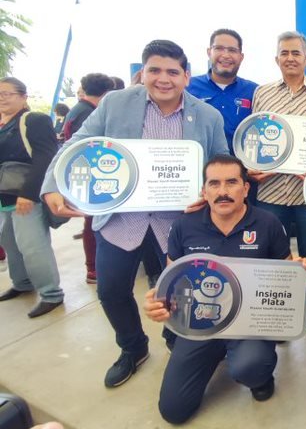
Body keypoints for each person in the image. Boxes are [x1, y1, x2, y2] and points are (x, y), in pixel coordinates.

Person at [41, 40, 229, 388]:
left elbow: (221, 163)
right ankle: (133, 347)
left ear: (186, 76)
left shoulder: (208, 116)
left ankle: (177, 338)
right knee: (111, 290)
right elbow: (76, 143)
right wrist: (52, 184)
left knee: (182, 290)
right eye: (154, 70)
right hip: (121, 221)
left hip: (177, 222)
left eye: (172, 72)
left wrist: (209, 192)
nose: (163, 79)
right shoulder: (115, 104)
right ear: (142, 73)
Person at [143, 155, 306, 423]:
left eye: (231, 182)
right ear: (204, 190)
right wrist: (158, 303)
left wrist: (301, 271)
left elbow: (285, 275)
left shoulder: (267, 223)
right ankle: (215, 354)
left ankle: (259, 376)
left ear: (246, 188)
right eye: (214, 183)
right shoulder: (184, 225)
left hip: (249, 322)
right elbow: (171, 279)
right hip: (200, 322)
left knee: (250, 368)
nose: (222, 191)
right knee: (173, 411)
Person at [250, 31, 306, 337]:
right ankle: (279, 315)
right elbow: (255, 137)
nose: (290, 58)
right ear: (276, 58)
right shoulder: (262, 94)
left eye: (296, 53)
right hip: (270, 192)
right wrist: (255, 166)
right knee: (272, 256)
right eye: (284, 53)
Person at [0, 78, 64, 318]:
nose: (2, 98)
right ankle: (22, 283)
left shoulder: (34, 120)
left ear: (23, 96)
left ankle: (51, 293)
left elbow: (46, 157)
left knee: (33, 246)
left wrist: (29, 193)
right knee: (9, 242)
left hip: (26, 195)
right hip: (4, 196)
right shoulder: (2, 123)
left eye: (7, 93)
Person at [61, 73, 115, 283]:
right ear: (107, 93)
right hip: (92, 177)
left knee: (92, 223)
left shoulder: (79, 109)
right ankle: (94, 269)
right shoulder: (90, 113)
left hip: (88, 174)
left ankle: (94, 267)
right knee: (95, 224)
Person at [187, 29, 258, 153]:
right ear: (209, 52)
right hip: (200, 162)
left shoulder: (254, 91)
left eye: (232, 50)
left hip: (241, 164)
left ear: (241, 57)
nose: (225, 55)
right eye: (219, 48)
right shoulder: (187, 87)